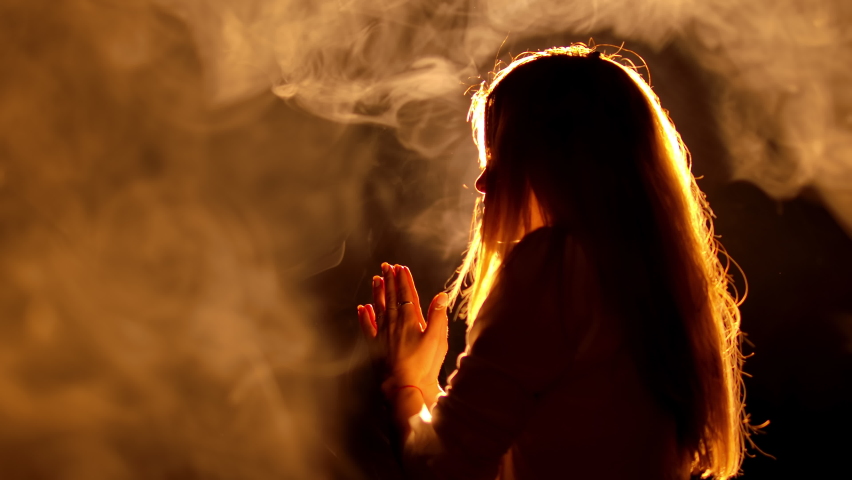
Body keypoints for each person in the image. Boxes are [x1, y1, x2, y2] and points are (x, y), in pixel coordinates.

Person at [356, 44, 749, 480]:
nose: (482, 183)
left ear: (562, 164)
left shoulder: (556, 266)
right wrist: (427, 386)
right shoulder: (655, 283)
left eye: (502, 158)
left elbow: (444, 470)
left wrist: (401, 384)